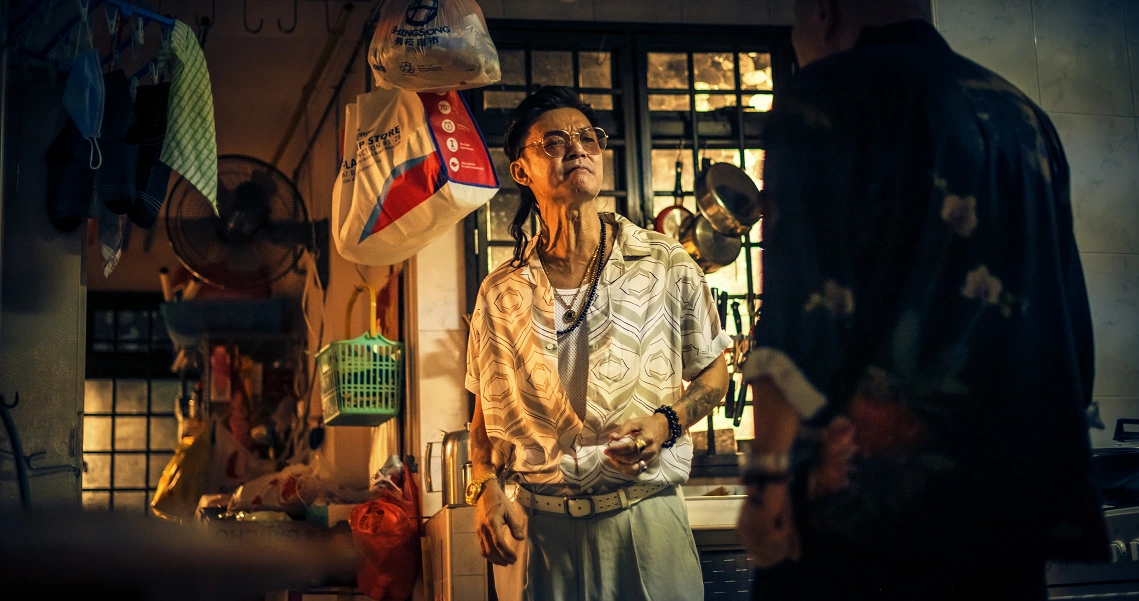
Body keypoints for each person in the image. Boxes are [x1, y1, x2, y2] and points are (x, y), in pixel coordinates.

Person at [735, 1, 1110, 599]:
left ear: (824, 15)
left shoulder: (827, 93)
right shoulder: (1022, 113)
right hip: (1009, 508)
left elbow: (801, 307)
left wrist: (767, 476)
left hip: (865, 512)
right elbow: (1066, 318)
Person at [464, 85, 731, 601]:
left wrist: (665, 422)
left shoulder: (666, 263)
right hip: (541, 533)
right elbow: (483, 423)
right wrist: (483, 488)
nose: (578, 149)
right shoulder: (500, 292)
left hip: (645, 520)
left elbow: (714, 372)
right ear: (521, 171)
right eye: (555, 142)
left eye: (588, 137)